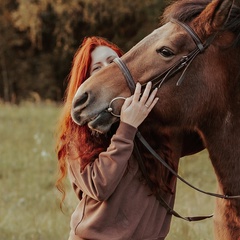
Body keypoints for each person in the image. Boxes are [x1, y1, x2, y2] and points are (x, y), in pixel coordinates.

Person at [55, 36, 178, 240]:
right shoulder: (78, 134)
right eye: (97, 68)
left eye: (112, 62)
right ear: (87, 80)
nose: (106, 70)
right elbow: (99, 186)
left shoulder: (157, 126)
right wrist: (127, 128)